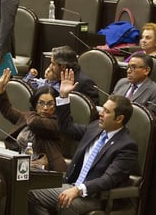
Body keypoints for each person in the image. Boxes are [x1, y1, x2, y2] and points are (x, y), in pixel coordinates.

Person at [28, 69, 138, 214]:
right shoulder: (94, 128)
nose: (100, 113)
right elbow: (66, 127)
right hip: (71, 185)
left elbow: (108, 179)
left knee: (65, 203)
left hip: (95, 197)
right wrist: (64, 96)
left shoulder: (126, 146)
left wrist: (78, 190)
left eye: (106, 112)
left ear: (119, 119)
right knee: (29, 192)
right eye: (102, 109)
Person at [0, 68, 67, 172]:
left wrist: (30, 113)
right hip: (23, 166)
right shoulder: (29, 117)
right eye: (41, 103)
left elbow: (34, 123)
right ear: (35, 104)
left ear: (56, 106)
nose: (45, 108)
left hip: (49, 170)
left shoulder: (58, 123)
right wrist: (1, 87)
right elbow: (7, 110)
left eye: (50, 104)